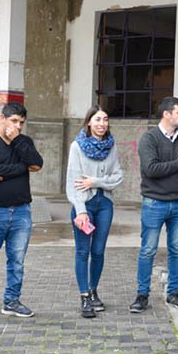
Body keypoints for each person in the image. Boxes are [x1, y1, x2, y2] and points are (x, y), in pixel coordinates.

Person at [0, 102, 43, 324]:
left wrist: (17, 142)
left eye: (21, 123)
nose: (17, 126)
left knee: (17, 261)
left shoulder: (23, 142)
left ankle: (11, 302)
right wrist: (22, 169)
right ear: (2, 119)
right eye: (13, 121)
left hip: (21, 211)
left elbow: (37, 164)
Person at [130, 96, 178, 314]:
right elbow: (151, 169)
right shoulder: (149, 139)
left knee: (176, 250)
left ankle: (174, 293)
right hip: (154, 203)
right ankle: (142, 295)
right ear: (167, 114)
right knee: (148, 250)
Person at [66, 105, 123, 318]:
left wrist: (96, 181)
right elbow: (73, 183)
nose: (102, 124)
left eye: (105, 119)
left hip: (104, 204)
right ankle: (83, 297)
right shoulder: (77, 146)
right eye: (98, 119)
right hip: (84, 205)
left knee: (98, 251)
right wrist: (80, 211)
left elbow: (118, 177)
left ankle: (93, 290)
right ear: (89, 122)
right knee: (83, 251)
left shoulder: (111, 145)